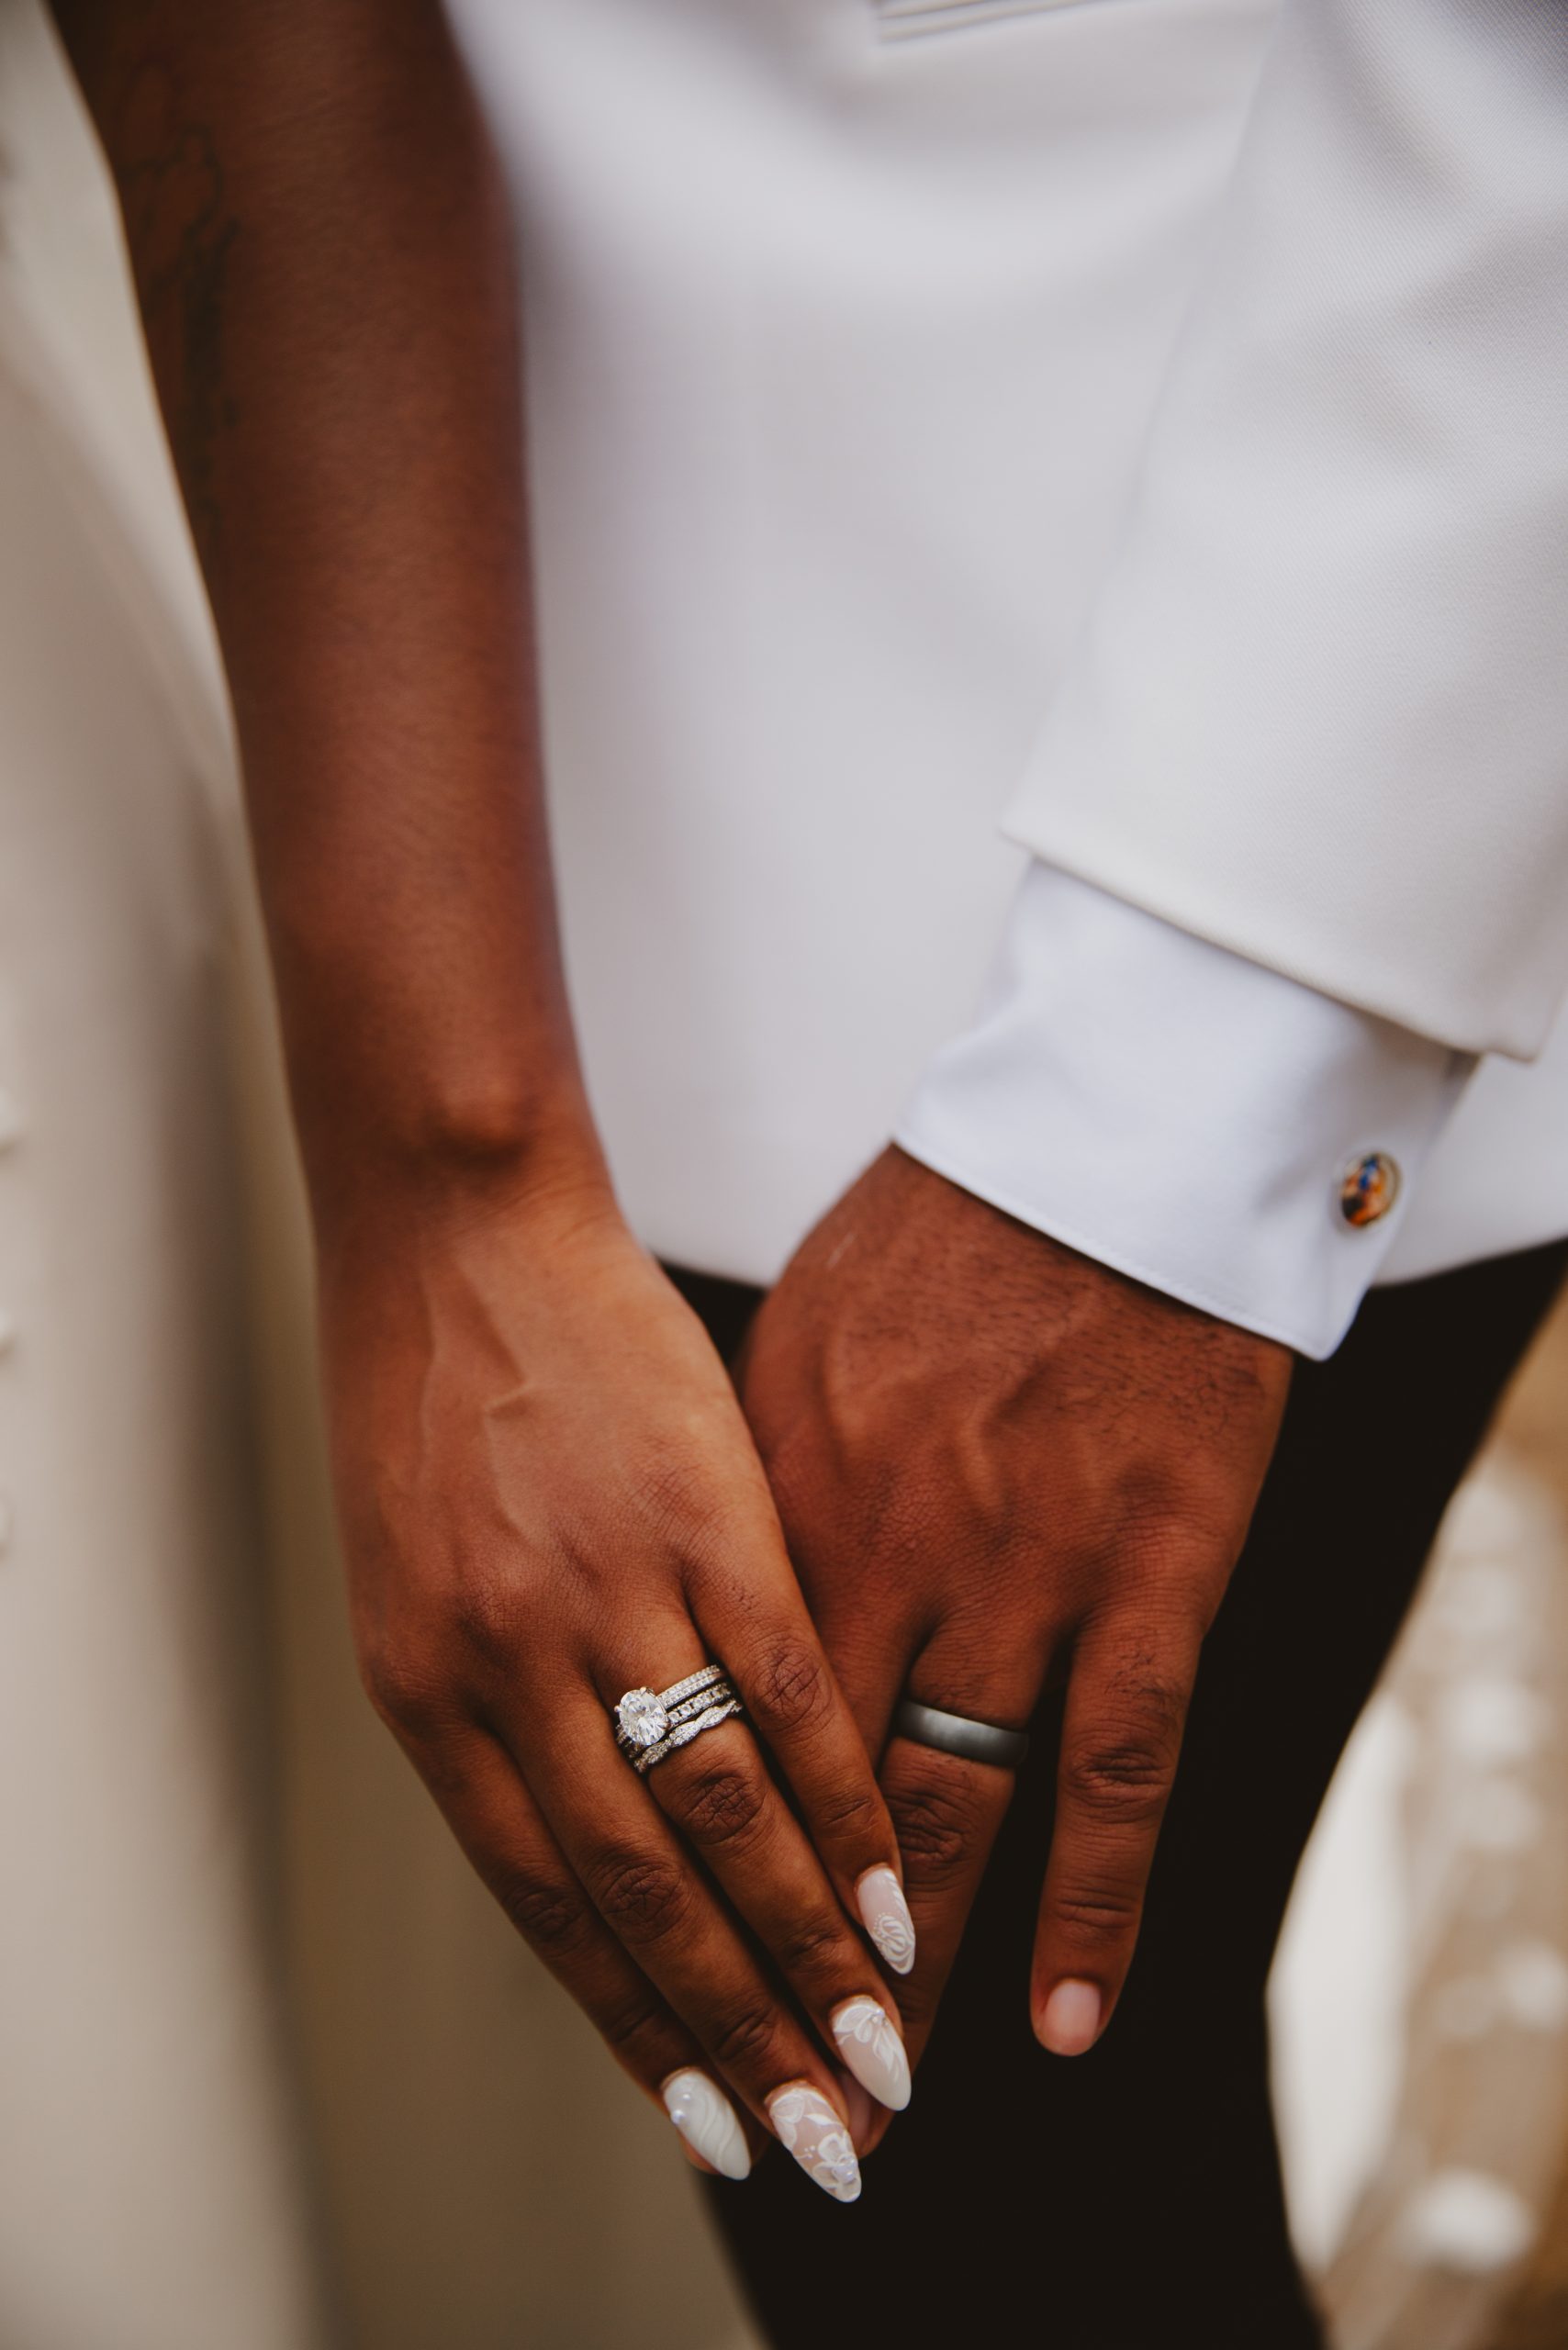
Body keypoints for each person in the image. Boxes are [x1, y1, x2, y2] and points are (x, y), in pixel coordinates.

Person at [52, 0, 1568, 2341]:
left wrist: (1146, 1120)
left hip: (1230, 607)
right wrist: (440, 1167)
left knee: (975, 2189)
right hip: (441, 699)